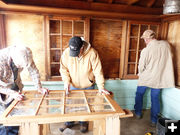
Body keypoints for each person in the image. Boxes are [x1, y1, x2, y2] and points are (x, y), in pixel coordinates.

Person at [60, 36, 110, 133]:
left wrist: (101, 87)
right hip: (73, 85)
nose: (74, 55)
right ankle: (69, 122)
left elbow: (98, 71)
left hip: (88, 85)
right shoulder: (66, 53)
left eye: (76, 52)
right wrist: (66, 83)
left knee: (86, 106)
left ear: (82, 48)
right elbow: (63, 69)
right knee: (71, 105)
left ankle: (83, 122)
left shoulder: (92, 53)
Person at [0, 45, 49, 135]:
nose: (20, 67)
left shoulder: (26, 55)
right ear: (13, 58)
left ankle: (13, 132)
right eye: (19, 65)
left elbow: (33, 71)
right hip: (2, 89)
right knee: (5, 119)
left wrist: (39, 87)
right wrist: (11, 93)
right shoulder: (1, 59)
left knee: (15, 116)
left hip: (14, 86)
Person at [134, 30, 175, 127]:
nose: (144, 41)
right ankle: (154, 120)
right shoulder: (166, 45)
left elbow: (141, 66)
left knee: (139, 94)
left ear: (147, 39)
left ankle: (138, 113)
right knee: (155, 98)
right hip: (159, 77)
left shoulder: (146, 50)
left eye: (144, 39)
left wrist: (140, 73)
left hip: (146, 77)